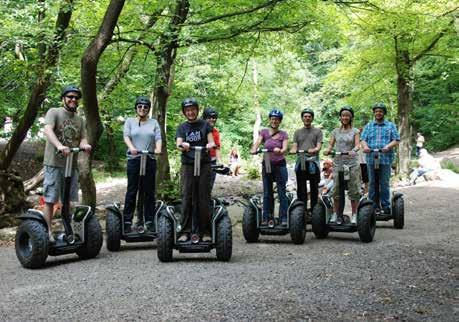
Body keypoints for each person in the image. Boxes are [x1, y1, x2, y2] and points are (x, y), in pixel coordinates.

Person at [42, 85, 91, 242]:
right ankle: (47, 232)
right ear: (63, 98)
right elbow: (48, 130)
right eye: (70, 96)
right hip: (54, 163)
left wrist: (84, 144)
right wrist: (59, 146)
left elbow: (82, 137)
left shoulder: (79, 120)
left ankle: (66, 231)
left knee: (68, 200)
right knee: (50, 199)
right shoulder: (54, 112)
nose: (73, 99)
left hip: (71, 165)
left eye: (76, 98)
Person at [176, 98, 215, 240]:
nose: (190, 112)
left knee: (203, 197)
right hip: (188, 165)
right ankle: (185, 231)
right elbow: (178, 143)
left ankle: (205, 232)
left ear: (197, 110)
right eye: (187, 110)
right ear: (184, 112)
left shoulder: (205, 125)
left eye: (192, 109)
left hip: (204, 165)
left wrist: (210, 145)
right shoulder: (182, 127)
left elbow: (211, 142)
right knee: (187, 196)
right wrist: (183, 145)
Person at [122, 96, 162, 232]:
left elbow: (158, 137)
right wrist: (132, 147)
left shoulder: (154, 122)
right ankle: (127, 222)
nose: (142, 109)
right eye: (140, 106)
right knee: (132, 190)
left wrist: (158, 149)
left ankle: (149, 221)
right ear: (136, 108)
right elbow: (126, 136)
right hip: (134, 159)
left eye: (145, 107)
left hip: (149, 159)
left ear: (149, 109)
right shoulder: (130, 121)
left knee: (149, 191)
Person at [324, 106, 361, 224]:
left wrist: (353, 150)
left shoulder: (355, 131)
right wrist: (328, 150)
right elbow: (331, 144)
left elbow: (357, 145)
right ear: (340, 117)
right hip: (338, 162)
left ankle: (355, 214)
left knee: (353, 189)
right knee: (336, 189)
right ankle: (335, 213)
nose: (345, 117)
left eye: (347, 115)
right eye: (343, 115)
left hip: (352, 163)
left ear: (351, 117)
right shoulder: (335, 131)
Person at [251, 109, 289, 226]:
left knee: (281, 191)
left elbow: (285, 148)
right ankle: (267, 217)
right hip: (267, 163)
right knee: (267, 192)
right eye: (272, 119)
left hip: (280, 164)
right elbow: (258, 142)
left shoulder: (283, 134)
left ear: (280, 121)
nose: (274, 121)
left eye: (277, 119)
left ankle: (283, 218)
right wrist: (254, 149)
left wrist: (280, 150)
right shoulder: (264, 132)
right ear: (270, 120)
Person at [361, 102, 400, 214]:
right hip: (371, 158)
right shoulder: (369, 126)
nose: (378, 113)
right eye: (376, 111)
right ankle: (373, 206)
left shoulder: (390, 125)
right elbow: (363, 139)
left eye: (380, 111)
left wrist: (388, 146)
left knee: (384, 183)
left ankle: (386, 206)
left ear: (384, 113)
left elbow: (396, 139)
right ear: (374, 113)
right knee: (372, 182)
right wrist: (366, 147)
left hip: (385, 158)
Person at [289, 108, 323, 212]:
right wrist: (293, 150)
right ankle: (301, 211)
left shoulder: (318, 131)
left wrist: (315, 149)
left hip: (313, 162)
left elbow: (319, 146)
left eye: (309, 116)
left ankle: (314, 211)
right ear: (302, 118)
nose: (307, 118)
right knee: (301, 187)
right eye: (305, 116)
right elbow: (295, 146)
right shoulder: (297, 132)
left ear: (312, 118)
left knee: (314, 188)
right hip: (301, 161)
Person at [202, 107, 221, 192]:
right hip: (201, 161)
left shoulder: (216, 132)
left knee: (209, 186)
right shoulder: (199, 130)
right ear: (205, 118)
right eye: (209, 117)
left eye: (214, 118)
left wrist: (219, 161)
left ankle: (207, 203)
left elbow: (217, 147)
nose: (212, 119)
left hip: (212, 162)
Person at [358, 128, 369, 195]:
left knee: (366, 179)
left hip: (366, 162)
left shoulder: (367, 141)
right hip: (357, 162)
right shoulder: (356, 142)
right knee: (358, 178)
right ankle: (359, 192)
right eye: (359, 133)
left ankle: (366, 192)